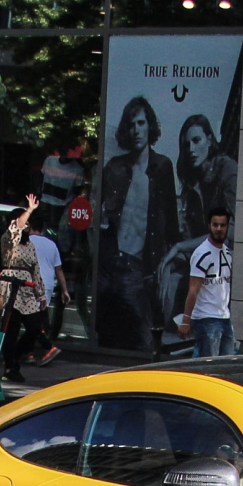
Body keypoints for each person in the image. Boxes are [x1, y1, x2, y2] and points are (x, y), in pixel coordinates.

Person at [96, 96, 178, 350]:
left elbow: (171, 223)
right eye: (131, 124)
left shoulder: (162, 167)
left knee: (141, 340)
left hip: (137, 266)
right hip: (110, 263)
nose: (136, 130)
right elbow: (100, 216)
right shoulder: (115, 167)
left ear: (149, 126)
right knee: (106, 335)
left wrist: (166, 267)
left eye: (141, 123)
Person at [0, 203, 50, 380]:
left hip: (26, 288)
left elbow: (35, 269)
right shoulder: (8, 239)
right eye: (24, 224)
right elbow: (16, 228)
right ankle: (11, 367)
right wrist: (29, 210)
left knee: (34, 326)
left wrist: (40, 294)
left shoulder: (30, 245)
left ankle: (14, 357)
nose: (26, 227)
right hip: (11, 286)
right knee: (11, 328)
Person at [176, 208, 236, 357]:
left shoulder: (227, 253)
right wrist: (185, 321)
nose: (219, 229)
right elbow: (193, 290)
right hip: (206, 319)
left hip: (224, 317)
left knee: (225, 366)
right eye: (215, 225)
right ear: (209, 225)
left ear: (228, 227)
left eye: (223, 225)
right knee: (208, 368)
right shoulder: (202, 253)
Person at [174, 114, 238, 241]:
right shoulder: (192, 183)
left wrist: (181, 247)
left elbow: (231, 230)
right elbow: (191, 233)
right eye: (187, 145)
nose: (191, 149)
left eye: (196, 140)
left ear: (209, 141)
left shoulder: (227, 170)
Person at [29, 210, 65, 366]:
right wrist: (64, 289)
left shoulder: (26, 242)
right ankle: (30, 351)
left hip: (31, 284)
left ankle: (47, 348)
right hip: (48, 284)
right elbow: (59, 269)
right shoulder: (51, 244)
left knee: (30, 319)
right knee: (39, 317)